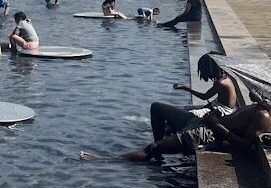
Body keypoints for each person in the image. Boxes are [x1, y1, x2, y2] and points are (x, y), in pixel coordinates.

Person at [80, 95, 271, 162]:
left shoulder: (263, 116)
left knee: (153, 149)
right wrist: (219, 117)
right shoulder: (261, 105)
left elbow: (245, 145)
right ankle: (160, 148)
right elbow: (236, 120)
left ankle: (107, 159)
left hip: (207, 132)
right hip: (207, 121)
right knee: (157, 107)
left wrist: (216, 125)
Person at [171, 53, 237, 118]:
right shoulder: (223, 76)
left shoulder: (221, 82)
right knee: (184, 109)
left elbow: (204, 97)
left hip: (222, 111)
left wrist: (185, 88)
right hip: (216, 105)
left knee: (188, 114)